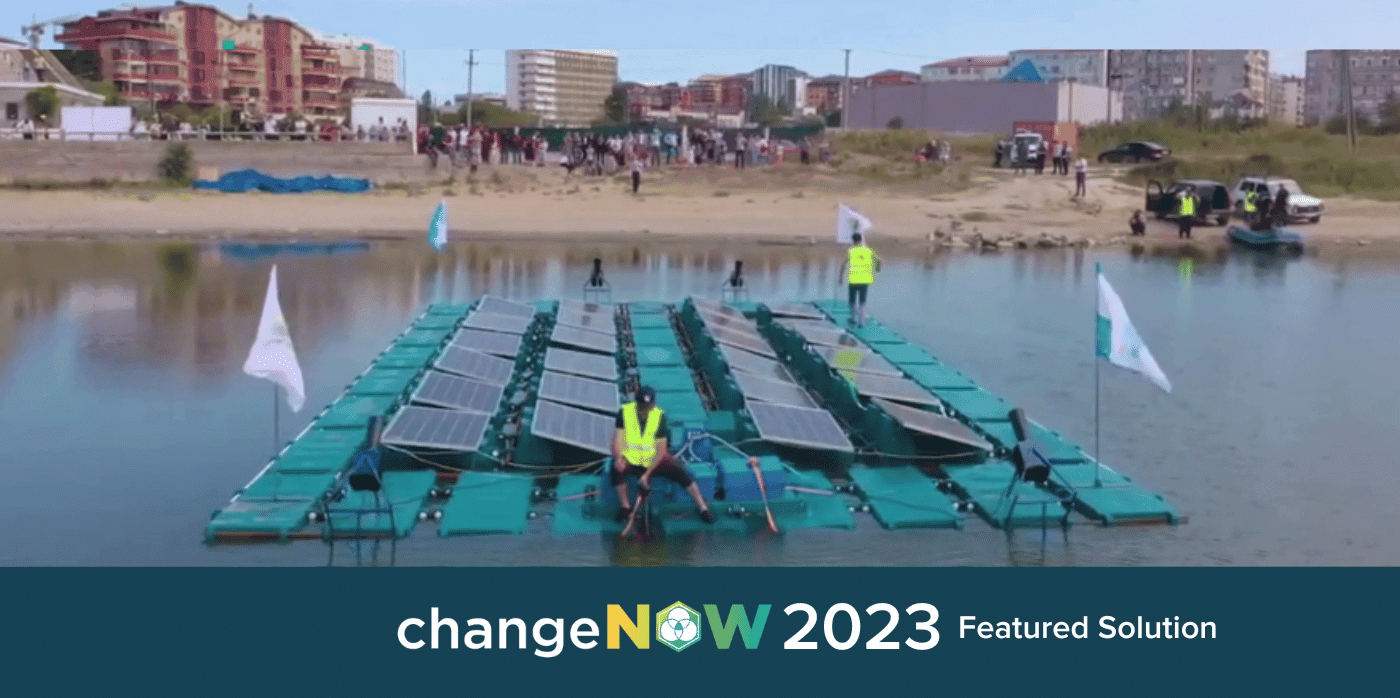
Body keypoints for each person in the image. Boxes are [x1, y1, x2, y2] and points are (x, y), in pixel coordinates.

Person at [611, 386, 715, 525]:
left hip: (654, 460)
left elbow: (661, 450)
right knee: (616, 469)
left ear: (653, 404)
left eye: (648, 406)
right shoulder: (624, 412)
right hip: (632, 459)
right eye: (642, 406)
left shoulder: (659, 416)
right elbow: (616, 440)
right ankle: (625, 507)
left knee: (681, 472)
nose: (645, 409)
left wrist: (647, 474)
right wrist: (618, 458)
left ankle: (703, 507)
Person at [838, 232, 880, 328]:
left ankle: (853, 320)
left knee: (852, 300)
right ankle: (862, 322)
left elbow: (843, 264)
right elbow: (879, 260)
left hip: (854, 279)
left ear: (853, 241)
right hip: (865, 279)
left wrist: (840, 278)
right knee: (863, 301)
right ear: (861, 240)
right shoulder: (868, 250)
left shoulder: (851, 251)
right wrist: (878, 269)